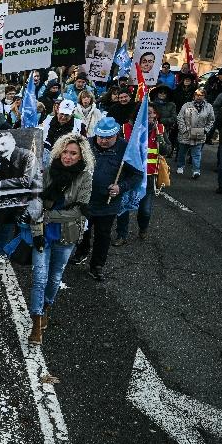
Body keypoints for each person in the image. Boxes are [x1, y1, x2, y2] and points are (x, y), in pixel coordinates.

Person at [27, 133, 92, 344]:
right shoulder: (46, 172)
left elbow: (79, 211)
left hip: (67, 235)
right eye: (65, 151)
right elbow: (35, 205)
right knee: (39, 278)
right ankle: (36, 323)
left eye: (73, 153)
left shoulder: (85, 177)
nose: (68, 156)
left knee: (55, 278)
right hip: (43, 234)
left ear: (82, 156)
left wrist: (49, 216)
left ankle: (46, 307)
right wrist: (37, 233)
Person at [77, 118, 142, 281]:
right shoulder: (86, 144)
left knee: (103, 235)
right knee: (82, 230)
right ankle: (82, 252)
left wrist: (121, 187)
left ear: (116, 135)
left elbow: (137, 174)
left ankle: (97, 265)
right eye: (100, 137)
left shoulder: (126, 148)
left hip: (108, 203)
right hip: (85, 199)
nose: (103, 141)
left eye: (108, 138)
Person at [115, 105, 164, 244]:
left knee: (145, 210)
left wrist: (159, 136)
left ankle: (143, 228)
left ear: (156, 115)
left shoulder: (160, 129)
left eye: (151, 113)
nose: (148, 115)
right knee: (123, 205)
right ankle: (121, 235)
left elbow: (166, 150)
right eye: (145, 112)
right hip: (127, 173)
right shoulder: (125, 128)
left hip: (148, 175)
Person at [175, 87, 213, 178]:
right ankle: (180, 166)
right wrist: (183, 129)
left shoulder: (209, 107)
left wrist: (205, 130)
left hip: (199, 132)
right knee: (182, 152)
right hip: (186, 132)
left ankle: (196, 171)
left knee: (196, 154)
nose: (199, 97)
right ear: (194, 96)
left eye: (201, 95)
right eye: (197, 95)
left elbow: (211, 120)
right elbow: (180, 118)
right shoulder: (186, 105)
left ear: (204, 96)